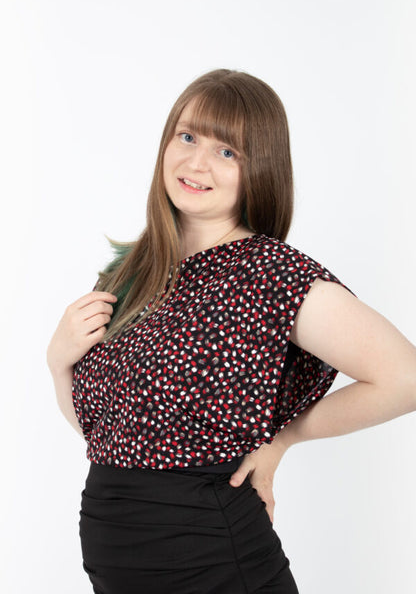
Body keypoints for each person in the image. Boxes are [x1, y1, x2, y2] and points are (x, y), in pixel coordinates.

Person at [46, 68, 416, 594]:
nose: (197, 162)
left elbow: (405, 376)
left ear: (259, 169)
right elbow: (108, 436)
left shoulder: (269, 274)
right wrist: (58, 362)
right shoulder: (131, 273)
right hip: (120, 565)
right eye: (188, 135)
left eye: (227, 151)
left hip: (213, 562)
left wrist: (282, 440)